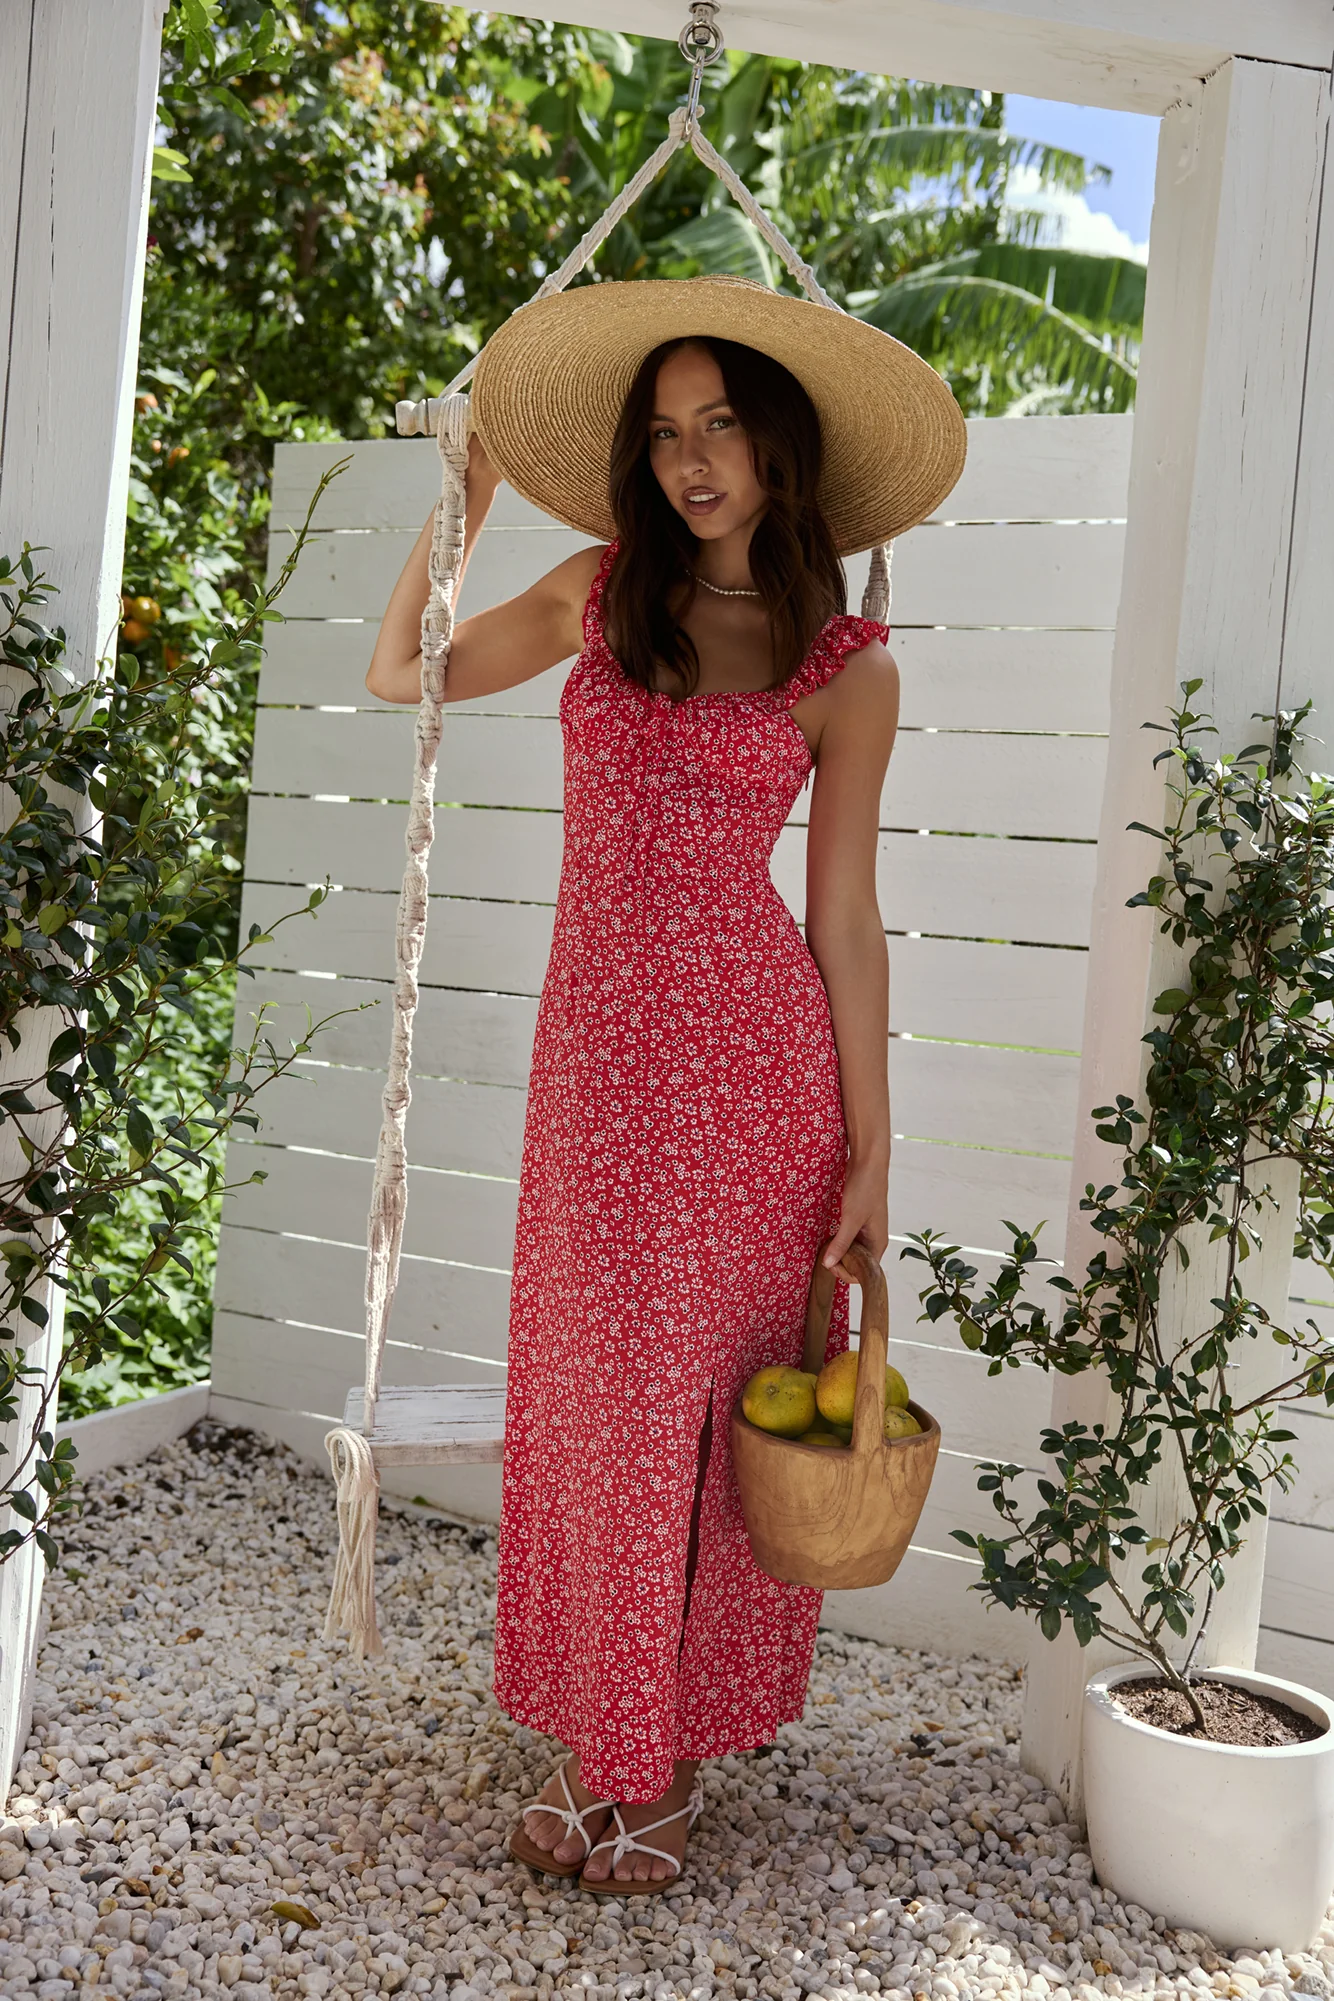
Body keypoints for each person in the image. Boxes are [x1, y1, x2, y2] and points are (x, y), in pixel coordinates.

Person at [365, 278, 966, 1897]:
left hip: (753, 1079)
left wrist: (873, 1156)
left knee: (698, 1415)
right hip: (597, 1066)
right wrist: (468, 493)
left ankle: (664, 1760)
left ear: (778, 446)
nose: (692, 459)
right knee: (591, 1405)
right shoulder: (596, 589)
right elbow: (395, 669)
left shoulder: (846, 665)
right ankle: (593, 1742)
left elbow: (841, 915)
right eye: (663, 432)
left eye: (719, 426)